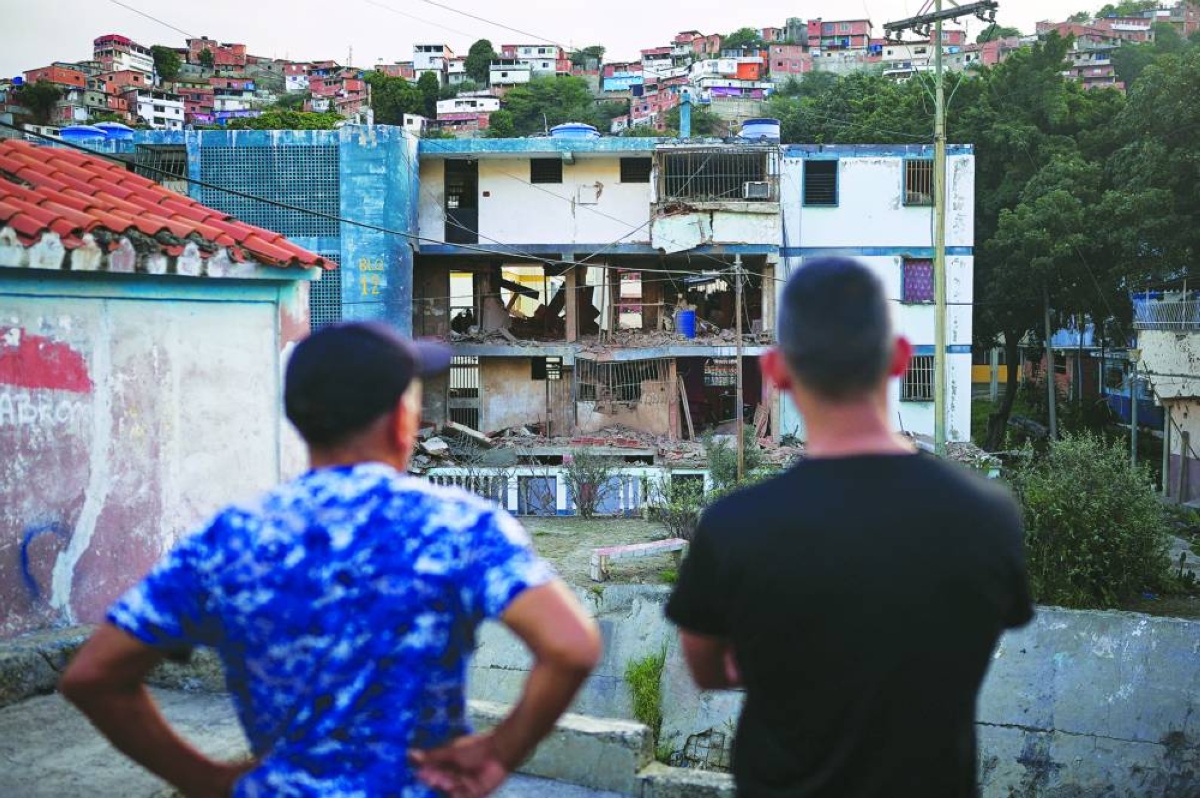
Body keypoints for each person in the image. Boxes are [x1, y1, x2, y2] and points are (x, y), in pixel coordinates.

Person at [61, 322, 601, 798]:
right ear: (399, 421)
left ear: (301, 421)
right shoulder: (457, 525)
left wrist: (203, 779)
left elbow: (93, 675)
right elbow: (571, 646)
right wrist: (500, 751)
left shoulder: (230, 538)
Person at [665, 257, 1033, 798]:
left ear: (776, 371)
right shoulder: (989, 515)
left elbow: (707, 669)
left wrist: (778, 661)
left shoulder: (733, 528)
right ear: (901, 359)